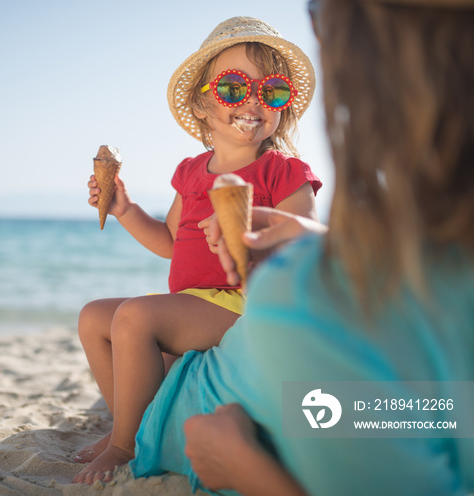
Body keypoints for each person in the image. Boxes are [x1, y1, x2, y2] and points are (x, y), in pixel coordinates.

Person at [129, 1, 474, 495]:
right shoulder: (426, 278)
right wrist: (325, 240)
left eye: (320, 15)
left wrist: (240, 466)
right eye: (232, 87)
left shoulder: (303, 300)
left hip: (177, 415)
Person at [73, 17, 322, 484]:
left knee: (135, 318)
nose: (252, 101)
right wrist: (125, 209)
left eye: (271, 92)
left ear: (282, 108)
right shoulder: (191, 171)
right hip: (195, 301)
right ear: (202, 102)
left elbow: (307, 236)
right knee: (93, 317)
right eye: (233, 87)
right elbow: (170, 244)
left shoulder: (281, 171)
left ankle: (125, 446)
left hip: (245, 301)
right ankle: (127, 425)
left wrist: (256, 229)